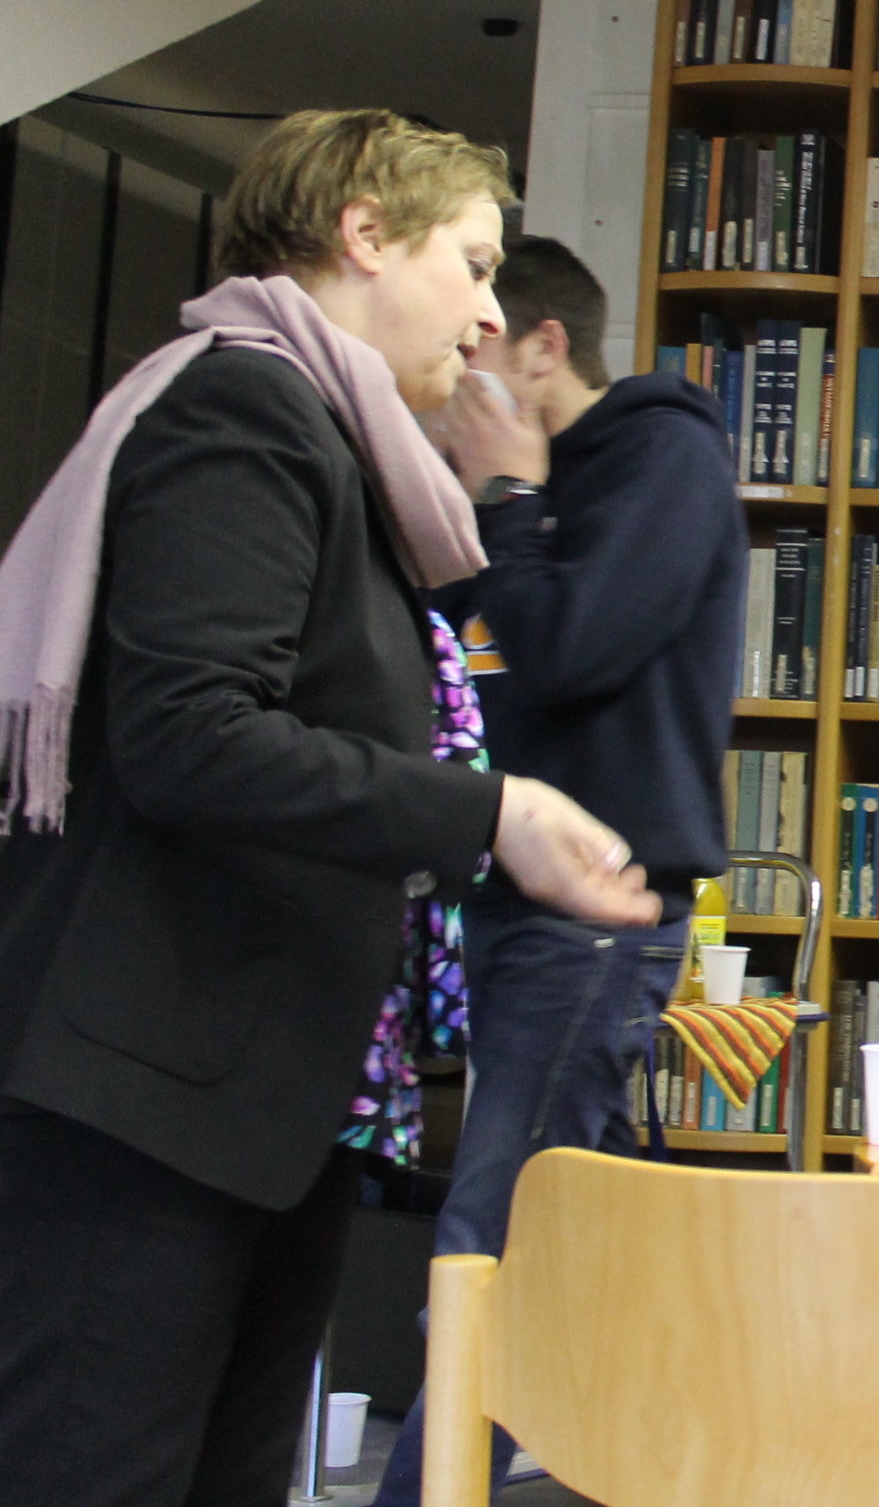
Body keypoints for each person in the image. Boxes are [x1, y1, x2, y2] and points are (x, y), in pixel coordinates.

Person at [0, 109, 653, 1507]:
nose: (491, 315)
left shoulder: (343, 446)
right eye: (473, 264)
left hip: (265, 1095)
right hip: (150, 1095)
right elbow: (191, 733)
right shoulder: (241, 408)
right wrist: (490, 814)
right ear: (363, 235)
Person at [374, 233, 747, 1507]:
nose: (455, 375)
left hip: (597, 908)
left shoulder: (661, 457)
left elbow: (570, 647)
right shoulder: (499, 491)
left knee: (494, 1235)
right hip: (494, 894)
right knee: (566, 1231)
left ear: (543, 346)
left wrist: (507, 501)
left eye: (480, 345)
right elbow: (470, 669)